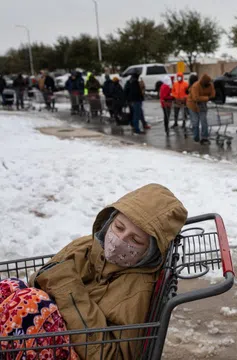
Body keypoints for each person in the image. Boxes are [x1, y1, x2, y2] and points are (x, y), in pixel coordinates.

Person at [0, 184, 187, 359]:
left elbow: (113, 356)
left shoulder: (136, 291)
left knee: (31, 305)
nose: (119, 240)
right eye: (119, 227)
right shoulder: (87, 246)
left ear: (150, 252)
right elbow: (37, 280)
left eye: (135, 240)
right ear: (110, 221)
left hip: (76, 350)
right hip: (58, 331)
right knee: (10, 287)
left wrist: (67, 289)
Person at [187, 74, 215, 144]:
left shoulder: (210, 85)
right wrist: (207, 98)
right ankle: (196, 137)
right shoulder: (195, 86)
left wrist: (205, 97)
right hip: (192, 105)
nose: (207, 85)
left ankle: (204, 138)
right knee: (195, 122)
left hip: (202, 105)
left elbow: (212, 94)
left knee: (204, 121)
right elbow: (195, 98)